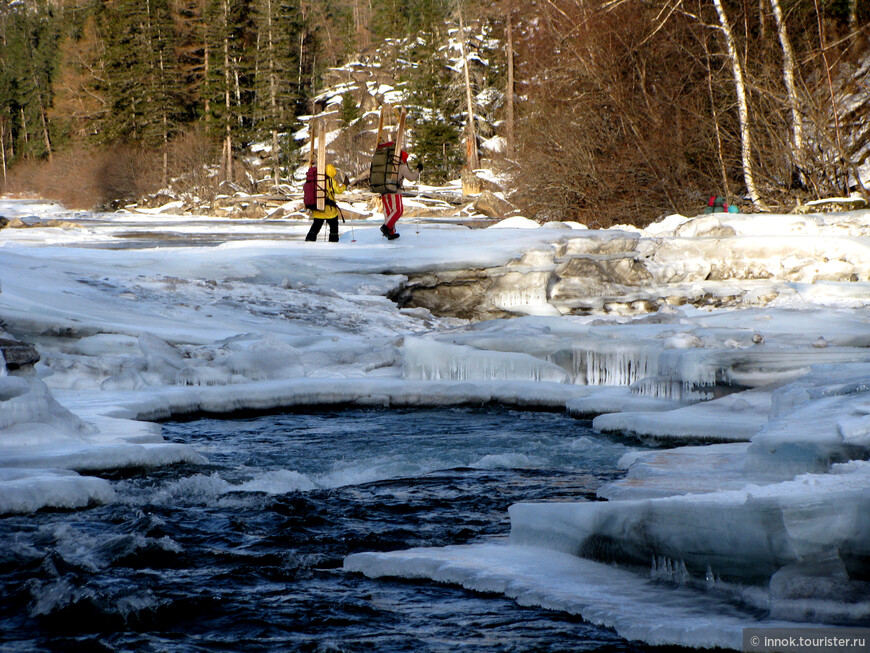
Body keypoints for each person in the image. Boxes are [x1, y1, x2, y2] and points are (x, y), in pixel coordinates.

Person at [379, 151, 422, 240]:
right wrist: (418, 170)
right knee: (398, 211)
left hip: (384, 191)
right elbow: (411, 177)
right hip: (395, 191)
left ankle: (391, 232)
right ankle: (386, 227)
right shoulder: (401, 166)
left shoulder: (387, 164)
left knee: (389, 212)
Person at [305, 164, 346, 242]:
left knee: (316, 226)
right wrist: (345, 185)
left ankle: (309, 240)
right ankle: (333, 242)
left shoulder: (317, 179)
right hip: (329, 209)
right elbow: (338, 190)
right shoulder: (331, 180)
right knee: (334, 226)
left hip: (317, 208)